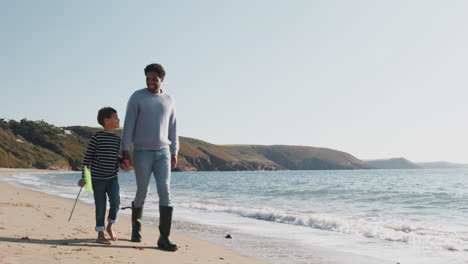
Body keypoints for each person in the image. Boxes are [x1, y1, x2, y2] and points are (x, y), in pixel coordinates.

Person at [121, 63, 179, 251]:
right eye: (148, 79)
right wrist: (125, 149)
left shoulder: (169, 99)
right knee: (142, 191)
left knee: (166, 192)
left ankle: (164, 238)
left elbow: (173, 127)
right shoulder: (137, 97)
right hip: (142, 152)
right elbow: (129, 124)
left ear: (162, 79)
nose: (151, 82)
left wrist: (174, 151)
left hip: (163, 152)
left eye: (154, 79)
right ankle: (136, 229)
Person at [77, 107, 121, 244]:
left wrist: (124, 162)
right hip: (97, 179)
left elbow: (115, 157)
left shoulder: (117, 139)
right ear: (106, 120)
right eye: (115, 117)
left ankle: (109, 227)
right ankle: (100, 234)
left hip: (113, 178)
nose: (118, 119)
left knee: (116, 202)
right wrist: (84, 177)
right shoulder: (96, 137)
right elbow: (87, 158)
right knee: (100, 206)